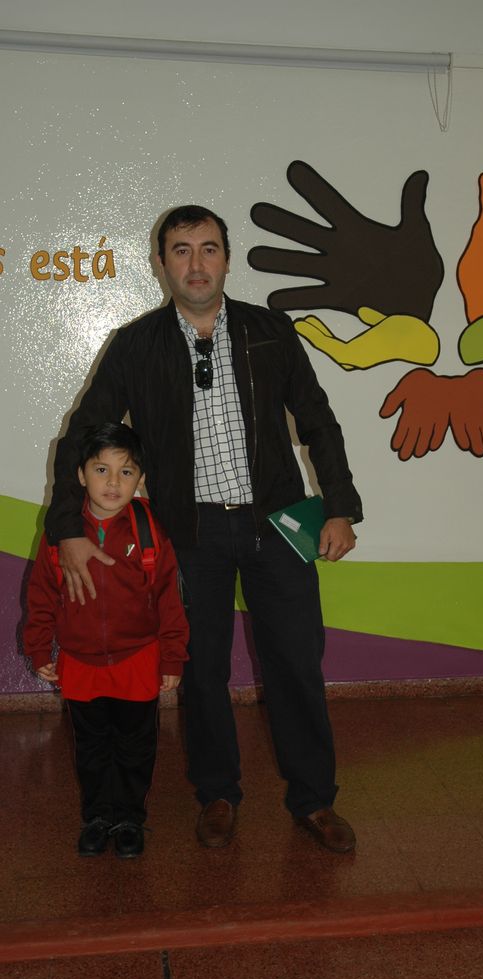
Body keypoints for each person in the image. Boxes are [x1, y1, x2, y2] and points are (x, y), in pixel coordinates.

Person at [45, 205, 363, 854]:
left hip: (278, 525)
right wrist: (68, 528)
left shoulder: (269, 330)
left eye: (209, 248)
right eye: (182, 250)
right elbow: (82, 435)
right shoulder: (136, 345)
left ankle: (314, 798)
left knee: (296, 664)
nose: (197, 263)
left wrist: (339, 505)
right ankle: (218, 794)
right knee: (201, 670)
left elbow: (317, 419)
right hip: (188, 536)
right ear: (161, 263)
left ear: (226, 259)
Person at [24, 422, 189, 858]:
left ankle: (130, 818)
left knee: (136, 747)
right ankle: (97, 817)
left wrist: (173, 657)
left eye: (126, 472)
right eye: (101, 470)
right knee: (91, 747)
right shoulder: (62, 531)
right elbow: (41, 594)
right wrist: (39, 648)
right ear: (80, 475)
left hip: (138, 658)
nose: (113, 483)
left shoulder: (150, 530)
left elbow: (169, 598)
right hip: (80, 662)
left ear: (141, 479)